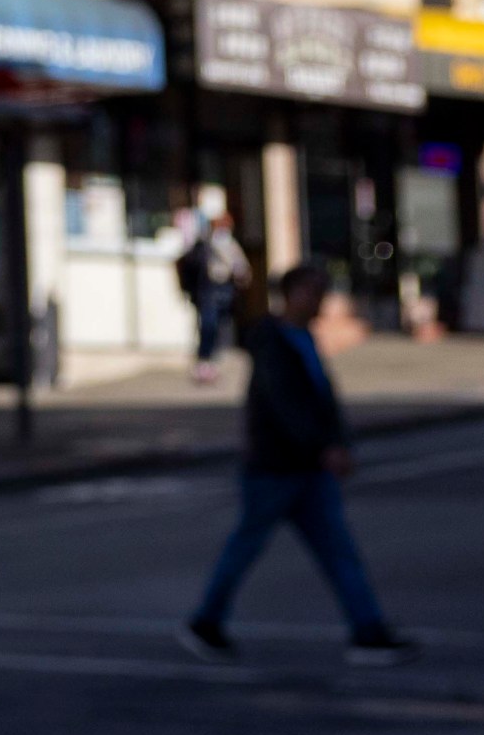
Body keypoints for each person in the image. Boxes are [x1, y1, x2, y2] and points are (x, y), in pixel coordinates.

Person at [177, 264, 416, 665]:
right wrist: (324, 446)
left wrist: (336, 443)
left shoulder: (303, 339)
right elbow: (285, 405)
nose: (319, 300)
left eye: (323, 291)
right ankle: (206, 622)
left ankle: (367, 629)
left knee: (338, 551)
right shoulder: (273, 341)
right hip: (274, 468)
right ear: (291, 294)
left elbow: (323, 400)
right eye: (312, 291)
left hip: (307, 471)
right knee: (246, 548)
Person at [180, 206, 248, 384]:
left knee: (217, 327)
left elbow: (241, 268)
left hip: (223, 290)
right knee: (208, 326)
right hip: (208, 290)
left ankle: (210, 364)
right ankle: (204, 363)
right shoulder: (206, 244)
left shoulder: (229, 244)